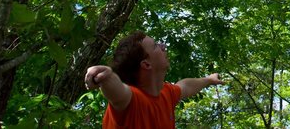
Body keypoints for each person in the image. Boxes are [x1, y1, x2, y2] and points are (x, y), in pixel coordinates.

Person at [84, 31, 222, 128]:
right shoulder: (132, 99)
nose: (163, 46)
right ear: (146, 64)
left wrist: (209, 79)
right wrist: (106, 76)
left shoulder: (166, 93)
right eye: (156, 45)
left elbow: (185, 86)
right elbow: (118, 94)